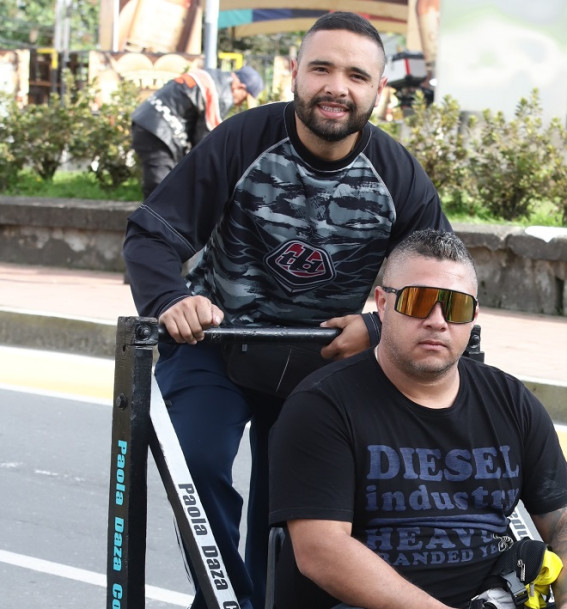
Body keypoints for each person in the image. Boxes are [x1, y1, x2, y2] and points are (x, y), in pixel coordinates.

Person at [122, 12, 450, 609]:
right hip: (216, 347)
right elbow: (151, 234)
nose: (337, 87)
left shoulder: (398, 175)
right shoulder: (242, 140)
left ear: (378, 91)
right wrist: (174, 299)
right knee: (197, 465)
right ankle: (227, 603)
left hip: (320, 364)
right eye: (321, 68)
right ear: (294, 73)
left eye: (356, 75)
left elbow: (440, 280)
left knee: (299, 515)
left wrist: (376, 329)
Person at [269, 229, 567, 609]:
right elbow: (321, 551)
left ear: (474, 316)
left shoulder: (511, 401)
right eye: (418, 301)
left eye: (456, 306)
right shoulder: (322, 406)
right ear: (382, 304)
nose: (437, 320)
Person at [131, 64, 264, 199]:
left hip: (147, 121)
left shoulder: (212, 76)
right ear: (240, 87)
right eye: (244, 98)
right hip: (159, 132)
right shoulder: (222, 94)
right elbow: (208, 142)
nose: (239, 104)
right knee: (161, 193)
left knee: (164, 189)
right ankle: (151, 219)